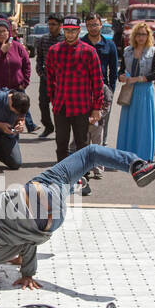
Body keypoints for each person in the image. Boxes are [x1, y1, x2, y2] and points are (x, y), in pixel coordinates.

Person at [0, 148, 155, 289]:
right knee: (91, 154)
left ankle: (74, 186)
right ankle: (137, 166)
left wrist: (27, 274)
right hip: (36, 190)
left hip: (51, 218)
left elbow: (27, 245)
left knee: (59, 193)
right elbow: (1, 205)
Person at [44, 16, 105, 193]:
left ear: (79, 30)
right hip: (61, 106)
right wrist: (53, 99)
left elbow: (97, 81)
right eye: (67, 30)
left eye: (73, 30)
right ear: (63, 30)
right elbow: (50, 79)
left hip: (81, 106)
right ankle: (61, 179)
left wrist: (96, 107)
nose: (70, 33)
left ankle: (83, 179)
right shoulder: (54, 51)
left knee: (82, 144)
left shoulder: (88, 51)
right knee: (61, 144)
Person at [116, 21, 155, 163]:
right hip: (130, 91)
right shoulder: (127, 51)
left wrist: (138, 79)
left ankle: (143, 155)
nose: (141, 37)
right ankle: (125, 155)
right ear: (134, 36)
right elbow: (121, 70)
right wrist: (121, 76)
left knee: (143, 124)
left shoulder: (153, 51)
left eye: (144, 34)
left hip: (144, 91)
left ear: (148, 36)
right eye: (138, 34)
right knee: (128, 122)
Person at [81, 12, 120, 162]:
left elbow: (113, 69)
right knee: (84, 122)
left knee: (103, 121)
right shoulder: (81, 44)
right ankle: (84, 152)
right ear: (86, 26)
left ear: (101, 25)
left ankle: (101, 152)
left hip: (103, 88)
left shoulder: (109, 45)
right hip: (85, 89)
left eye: (95, 24)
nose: (93, 28)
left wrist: (110, 89)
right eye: (90, 25)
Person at [35, 14, 65, 138]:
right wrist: (41, 72)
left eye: (54, 24)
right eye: (49, 24)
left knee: (59, 106)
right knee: (43, 103)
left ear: (60, 25)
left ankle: (61, 129)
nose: (51, 27)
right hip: (46, 77)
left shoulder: (64, 40)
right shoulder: (43, 39)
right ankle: (48, 126)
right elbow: (39, 58)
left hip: (61, 79)